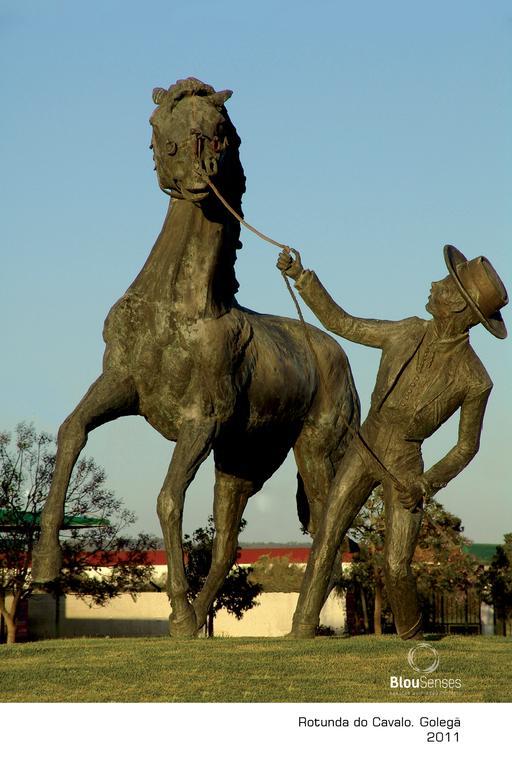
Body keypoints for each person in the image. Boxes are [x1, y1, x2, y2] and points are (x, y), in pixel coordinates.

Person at [277, 244, 508, 639]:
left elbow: (467, 447)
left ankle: (411, 635)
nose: (435, 284)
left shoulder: (475, 379)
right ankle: (302, 629)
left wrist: (426, 483)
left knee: (397, 564)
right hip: (365, 444)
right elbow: (343, 323)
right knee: (328, 531)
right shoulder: (406, 330)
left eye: (446, 284)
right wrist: (302, 277)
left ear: (456, 306)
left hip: (406, 464)